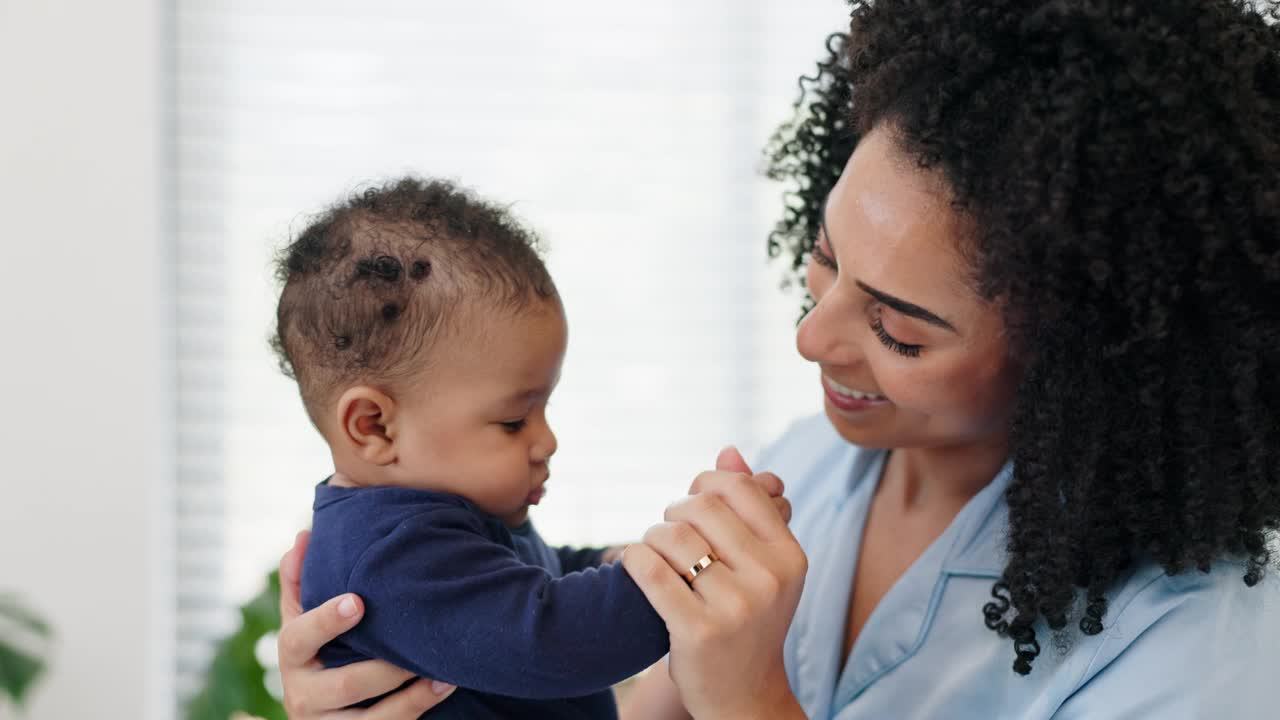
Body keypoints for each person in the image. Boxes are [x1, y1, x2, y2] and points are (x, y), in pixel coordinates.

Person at [275, 1, 1280, 717]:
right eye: (826, 258)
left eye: (898, 329)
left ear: (1084, 355)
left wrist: (752, 699)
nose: (812, 336)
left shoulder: (1195, 646)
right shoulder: (809, 464)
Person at [270, 176, 788, 718]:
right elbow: (553, 637)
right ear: (373, 427)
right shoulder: (390, 558)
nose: (547, 441)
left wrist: (618, 561)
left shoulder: (435, 520)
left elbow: (533, 577)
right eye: (514, 420)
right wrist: (692, 575)